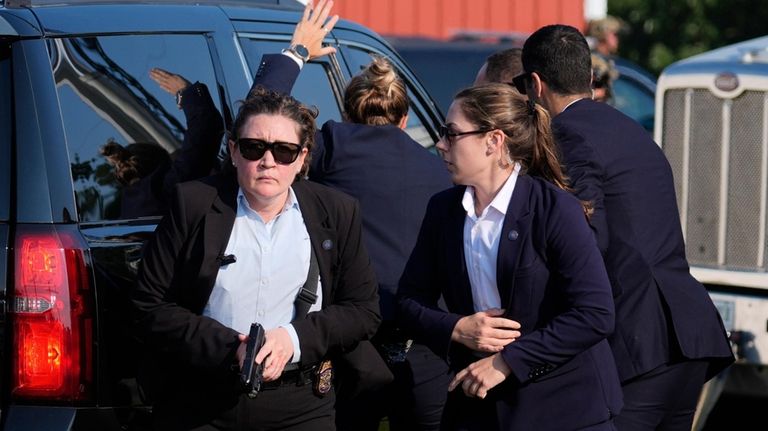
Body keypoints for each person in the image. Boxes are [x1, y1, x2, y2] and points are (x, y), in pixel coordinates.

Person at [517, 24, 734, 430]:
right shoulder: (630, 130)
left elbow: (583, 239)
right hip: (683, 334)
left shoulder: (568, 135)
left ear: (536, 84)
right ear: (589, 77)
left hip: (639, 342)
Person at [250, 2, 454, 429]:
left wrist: (296, 53)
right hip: (427, 345)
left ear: (346, 114)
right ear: (404, 120)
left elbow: (261, 122)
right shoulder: (441, 168)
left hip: (351, 344)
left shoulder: (332, 149)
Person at [131, 86, 381, 430]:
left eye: (284, 151)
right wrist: (230, 347)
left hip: (301, 402)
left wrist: (292, 340)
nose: (268, 161)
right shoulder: (194, 203)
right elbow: (150, 305)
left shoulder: (335, 212)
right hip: (203, 398)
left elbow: (363, 310)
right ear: (233, 151)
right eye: (253, 148)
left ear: (302, 158)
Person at [396, 83, 623, 430]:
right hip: (475, 408)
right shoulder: (443, 210)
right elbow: (410, 302)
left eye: (452, 134)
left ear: (494, 141)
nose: (440, 144)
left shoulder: (553, 209)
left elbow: (595, 313)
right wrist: (457, 328)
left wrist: (507, 362)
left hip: (563, 410)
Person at [99, 68, 223, 218]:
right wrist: (186, 92)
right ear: (162, 167)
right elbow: (204, 135)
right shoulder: (161, 191)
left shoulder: (128, 209)